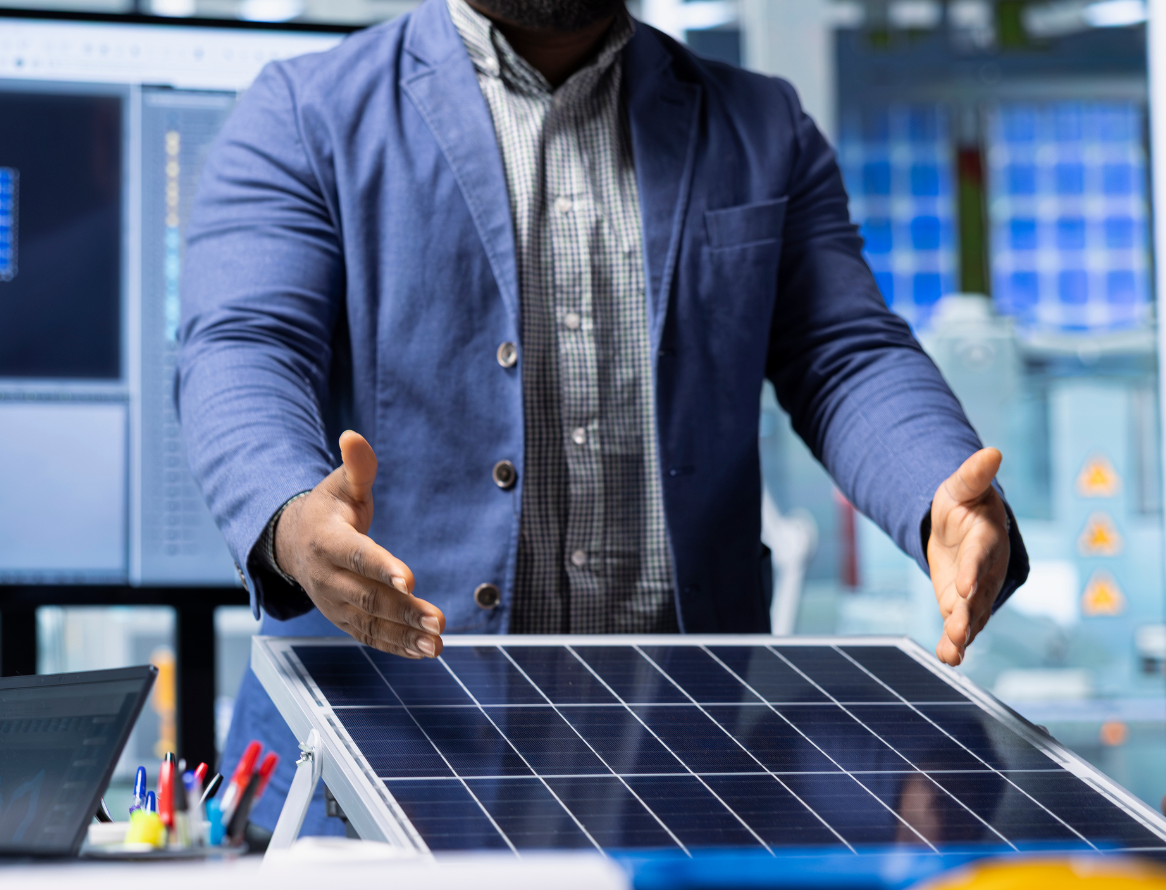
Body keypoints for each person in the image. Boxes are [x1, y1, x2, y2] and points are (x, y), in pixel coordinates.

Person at [175, 0, 1030, 836]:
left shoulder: (761, 126)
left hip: (671, 781)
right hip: (372, 782)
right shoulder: (303, 111)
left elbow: (845, 353)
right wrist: (291, 516)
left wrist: (935, 491)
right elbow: (242, 348)